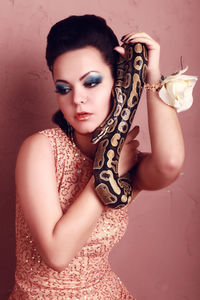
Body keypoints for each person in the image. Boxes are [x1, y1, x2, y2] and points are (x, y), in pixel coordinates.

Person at [9, 14, 185, 299]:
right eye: (64, 88)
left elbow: (170, 164)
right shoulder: (40, 149)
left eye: (90, 82)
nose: (77, 98)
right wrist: (109, 172)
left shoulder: (129, 159)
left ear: (118, 81)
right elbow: (57, 253)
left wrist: (151, 77)